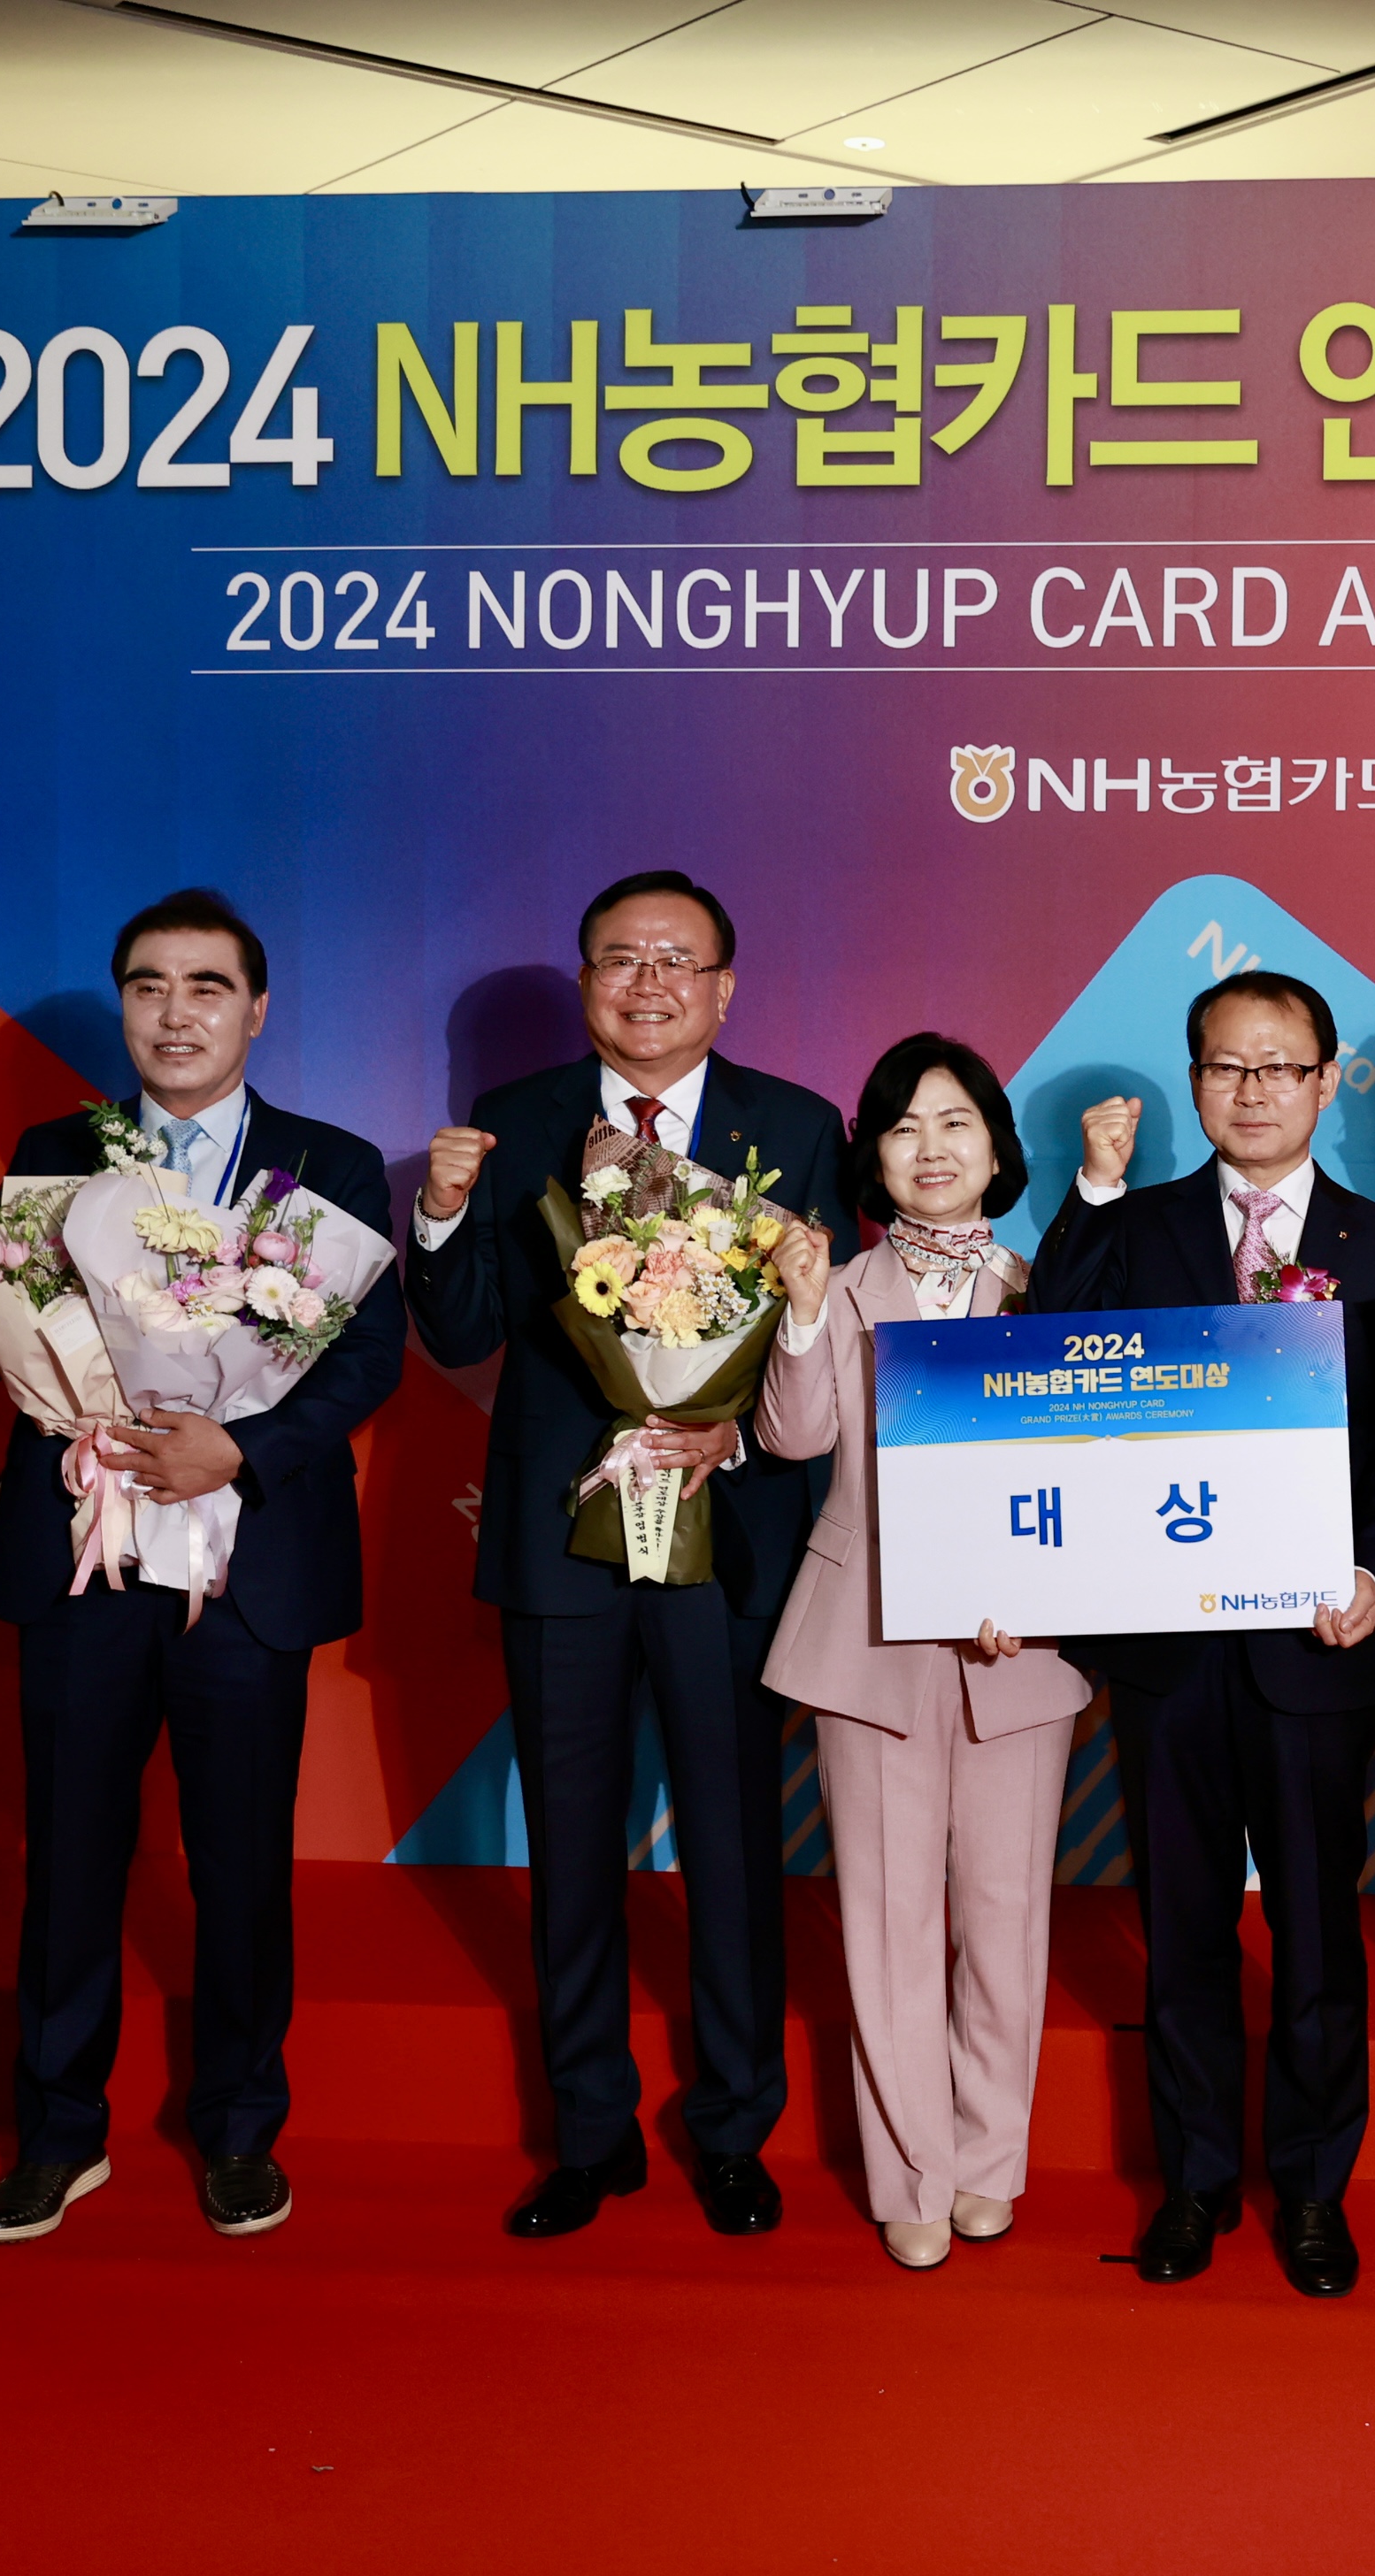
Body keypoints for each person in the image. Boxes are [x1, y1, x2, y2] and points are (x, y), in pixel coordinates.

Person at [404, 869, 849, 2241]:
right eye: (619, 959)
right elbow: (465, 1332)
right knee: (573, 1845)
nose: (648, 984)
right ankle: (589, 2133)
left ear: (724, 987)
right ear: (587, 979)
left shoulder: (797, 1127)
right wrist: (439, 1217)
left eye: (677, 961)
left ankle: (735, 2124)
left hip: (728, 1538)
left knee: (732, 1841)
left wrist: (737, 1438)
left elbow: (818, 1344)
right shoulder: (515, 1121)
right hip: (564, 1539)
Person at [0, 890, 404, 2245]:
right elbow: (22, 1333)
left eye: (206, 985)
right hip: (87, 1550)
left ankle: (238, 2129)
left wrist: (242, 1449)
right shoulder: (56, 1153)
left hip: (248, 1562)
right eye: (148, 985)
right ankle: (58, 2135)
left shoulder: (328, 1162)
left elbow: (367, 1358)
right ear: (123, 1006)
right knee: (71, 1856)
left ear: (256, 1009)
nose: (175, 1011)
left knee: (242, 1862)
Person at [1028, 970, 1375, 2299]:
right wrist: (1093, 1195)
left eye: (1279, 1067)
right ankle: (1196, 2182)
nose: (1252, 1091)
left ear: (1326, 1080)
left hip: (1318, 1641)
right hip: (1168, 1644)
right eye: (1225, 1067)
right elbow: (1045, 1360)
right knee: (1184, 1924)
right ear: (1193, 1081)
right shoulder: (1135, 1225)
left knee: (1317, 1930)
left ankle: (1314, 2189)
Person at [753, 1035, 1088, 2272]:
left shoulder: (1047, 1288)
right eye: (903, 1127)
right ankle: (912, 2175)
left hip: (1020, 1648)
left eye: (956, 1124)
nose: (931, 1148)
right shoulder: (839, 1289)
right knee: (887, 1922)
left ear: (997, 1149)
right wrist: (798, 1312)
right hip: (869, 1644)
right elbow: (793, 1441)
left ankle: (991, 2160)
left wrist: (1043, 1585)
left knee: (1005, 1917)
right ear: (874, 1158)